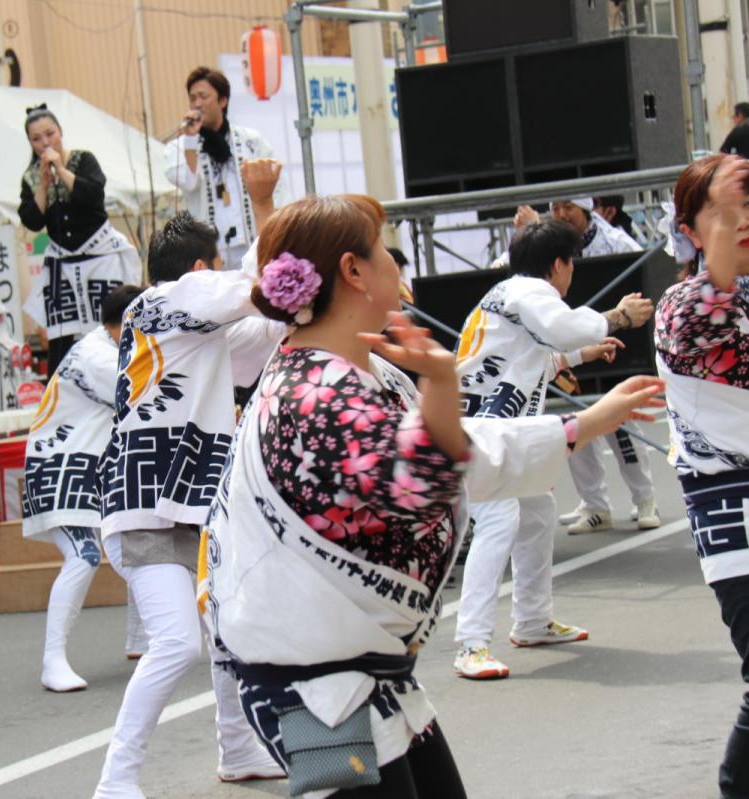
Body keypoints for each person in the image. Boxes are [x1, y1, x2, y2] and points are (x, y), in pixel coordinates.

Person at [200, 194, 666, 798]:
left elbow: (452, 451)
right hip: (307, 683)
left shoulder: (359, 369)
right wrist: (449, 383)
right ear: (354, 271)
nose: (399, 267)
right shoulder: (312, 392)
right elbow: (427, 469)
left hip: (360, 670)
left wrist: (583, 423)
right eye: (383, 252)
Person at [94, 211, 286, 798]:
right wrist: (264, 202)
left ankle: (236, 747)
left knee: (226, 626)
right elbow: (258, 289)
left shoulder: (190, 326)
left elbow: (260, 331)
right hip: (147, 502)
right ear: (200, 267)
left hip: (192, 500)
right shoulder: (168, 299)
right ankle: (114, 781)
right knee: (177, 641)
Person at [452, 219, 654, 680]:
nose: (571, 273)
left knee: (538, 511)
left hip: (493, 429)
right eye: (571, 264)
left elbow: (542, 355)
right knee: (501, 519)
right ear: (559, 264)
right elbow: (561, 331)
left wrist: (588, 351)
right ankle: (471, 643)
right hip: (485, 433)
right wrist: (617, 315)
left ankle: (531, 620)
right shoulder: (531, 294)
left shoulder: (509, 296)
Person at [654, 154, 749, 798]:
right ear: (690, 226)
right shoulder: (683, 302)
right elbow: (710, 309)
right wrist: (720, 263)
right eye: (722, 212)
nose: (742, 221)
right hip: (742, 519)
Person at [23, 284, 145, 692]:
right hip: (61, 466)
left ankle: (142, 640)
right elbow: (143, 397)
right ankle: (51, 660)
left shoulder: (110, 349)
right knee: (84, 554)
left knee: (139, 540)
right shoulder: (99, 356)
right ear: (127, 323)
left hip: (90, 465)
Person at [517, 197, 663, 534]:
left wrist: (619, 320)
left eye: (569, 206)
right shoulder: (543, 251)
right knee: (575, 429)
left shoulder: (615, 240)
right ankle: (595, 504)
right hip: (567, 349)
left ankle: (644, 498)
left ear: (586, 210)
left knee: (621, 427)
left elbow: (640, 275)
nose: (562, 213)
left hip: (607, 344)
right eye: (555, 207)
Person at [18, 104, 142, 372]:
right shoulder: (30, 177)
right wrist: (43, 184)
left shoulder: (82, 160)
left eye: (50, 134)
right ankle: (63, 392)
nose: (45, 143)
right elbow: (32, 220)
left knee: (110, 324)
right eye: (36, 139)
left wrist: (61, 170)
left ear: (60, 132)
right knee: (63, 335)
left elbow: (93, 196)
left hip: (99, 254)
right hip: (63, 260)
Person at [165, 66, 288, 271]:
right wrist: (190, 141)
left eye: (203, 96)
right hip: (210, 253)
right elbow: (187, 181)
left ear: (222, 100)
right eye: (192, 98)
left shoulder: (250, 140)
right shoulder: (180, 146)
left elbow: (277, 188)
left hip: (252, 242)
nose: (197, 104)